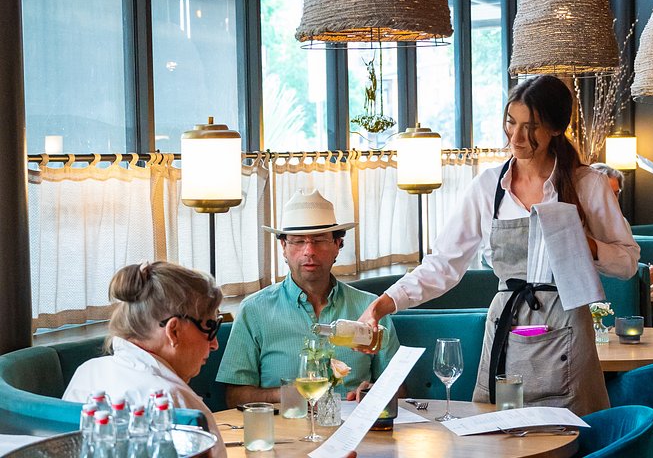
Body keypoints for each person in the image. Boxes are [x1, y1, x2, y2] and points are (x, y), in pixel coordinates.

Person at [359, 75, 640, 416]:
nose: (517, 137)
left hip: (567, 330)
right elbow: (444, 264)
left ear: (555, 128)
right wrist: (382, 305)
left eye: (531, 127)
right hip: (505, 330)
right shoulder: (488, 186)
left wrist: (587, 245)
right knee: (498, 432)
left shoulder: (587, 184)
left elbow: (627, 264)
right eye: (511, 122)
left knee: (568, 437)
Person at [217, 190, 401, 407]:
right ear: (283, 247)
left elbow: (401, 388)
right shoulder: (254, 310)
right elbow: (235, 397)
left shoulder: (370, 309)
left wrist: (374, 391)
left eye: (319, 240)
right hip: (284, 429)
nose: (309, 251)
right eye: (297, 241)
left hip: (355, 431)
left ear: (337, 245)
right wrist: (290, 393)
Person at [63, 261, 226, 458]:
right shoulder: (172, 401)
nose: (215, 344)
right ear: (173, 331)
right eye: (210, 328)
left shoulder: (87, 372)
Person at [591, 162, 653, 284]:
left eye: (616, 193)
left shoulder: (621, 222)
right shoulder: (579, 222)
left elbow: (628, 267)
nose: (613, 200)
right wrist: (647, 277)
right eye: (607, 193)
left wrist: (651, 276)